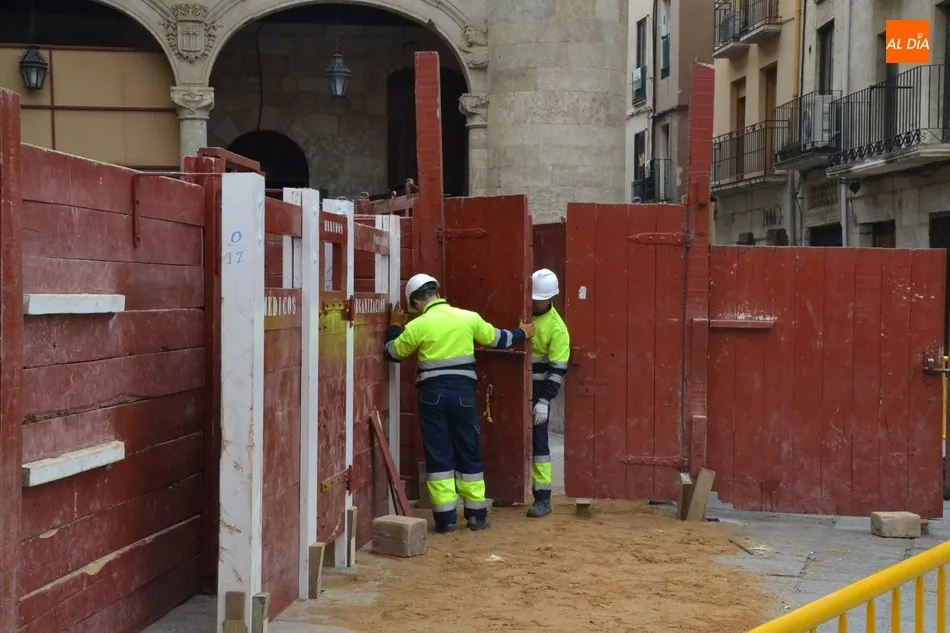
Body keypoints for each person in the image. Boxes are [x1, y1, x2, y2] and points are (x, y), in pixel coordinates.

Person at [384, 273, 535, 534]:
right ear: (436, 293)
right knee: (468, 448)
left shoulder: (419, 326)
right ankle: (476, 515)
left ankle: (445, 520)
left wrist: (395, 326)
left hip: (433, 397)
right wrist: (523, 332)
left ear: (417, 302)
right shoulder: (468, 317)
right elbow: (499, 339)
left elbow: (393, 353)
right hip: (463, 396)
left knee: (438, 452)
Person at [526, 268, 571, 518]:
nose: (534, 302)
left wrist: (544, 401)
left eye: (538, 299)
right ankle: (507, 492)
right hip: (517, 390)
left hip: (538, 393)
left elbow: (557, 371)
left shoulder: (556, 329)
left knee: (539, 446)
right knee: (510, 439)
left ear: (550, 298)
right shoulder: (524, 314)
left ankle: (543, 498)